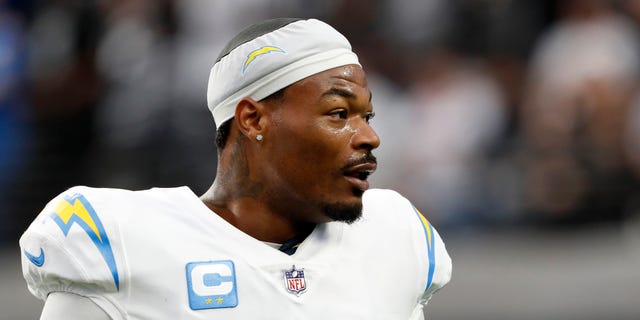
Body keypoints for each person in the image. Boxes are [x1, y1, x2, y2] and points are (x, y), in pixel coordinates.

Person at [19, 18, 452, 319]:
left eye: (367, 117)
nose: (368, 137)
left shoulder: (396, 238)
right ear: (252, 119)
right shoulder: (123, 243)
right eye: (339, 113)